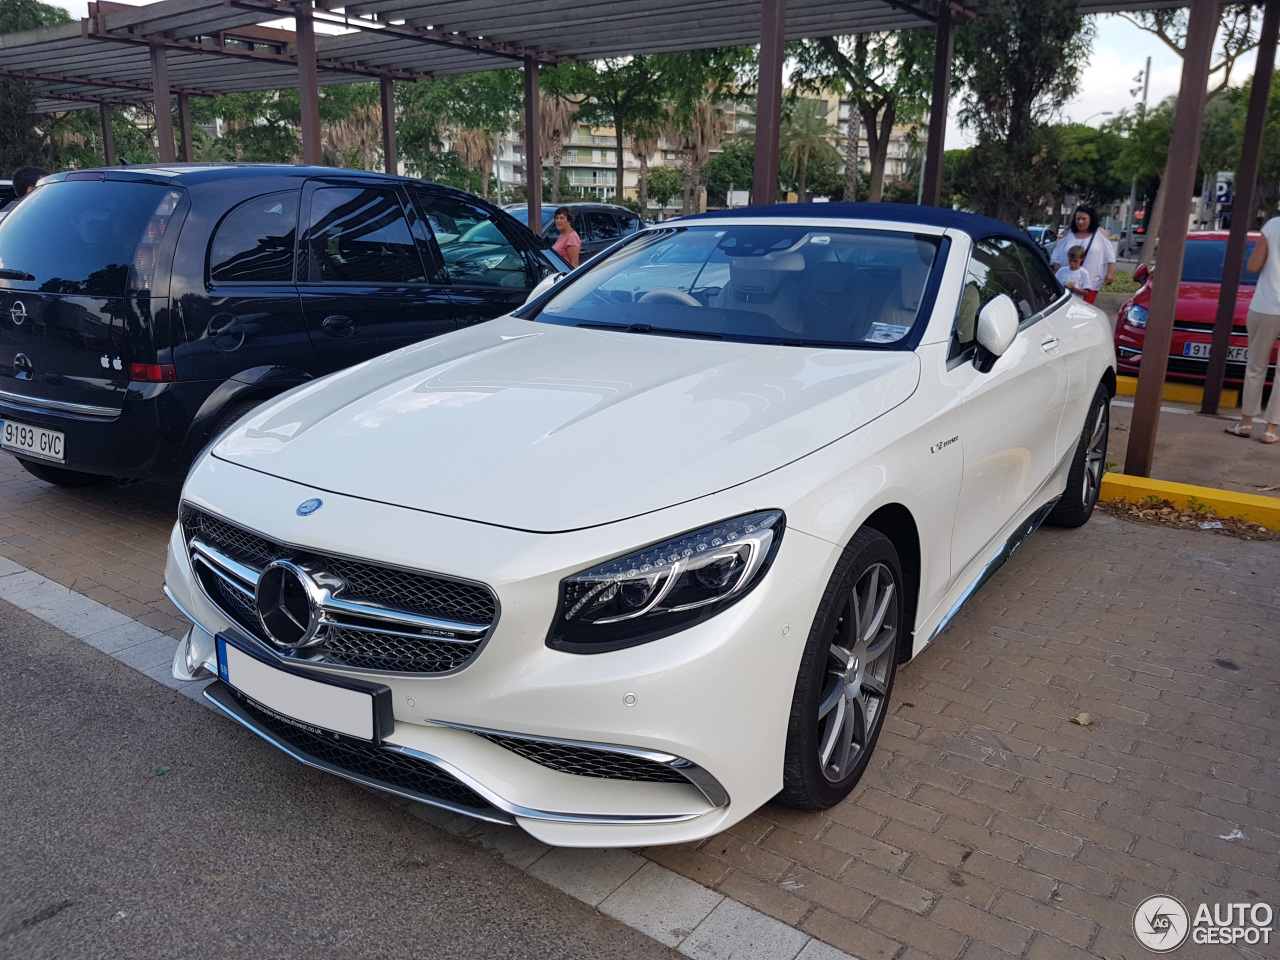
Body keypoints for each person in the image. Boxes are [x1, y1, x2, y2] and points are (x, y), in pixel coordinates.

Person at [1226, 216, 1280, 444]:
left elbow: (1254, 265)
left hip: (1266, 305)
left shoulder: (1274, 225)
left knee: (1256, 366)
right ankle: (1271, 430)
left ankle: (1246, 423)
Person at [1050, 205, 1116, 304]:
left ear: (1091, 219)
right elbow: (1056, 257)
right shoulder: (1068, 235)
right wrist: (1061, 274)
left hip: (1090, 282)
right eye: (1078, 219)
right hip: (1068, 283)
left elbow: (1110, 255)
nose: (1080, 222)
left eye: (1084, 219)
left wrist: (1110, 273)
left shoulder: (1100, 233)